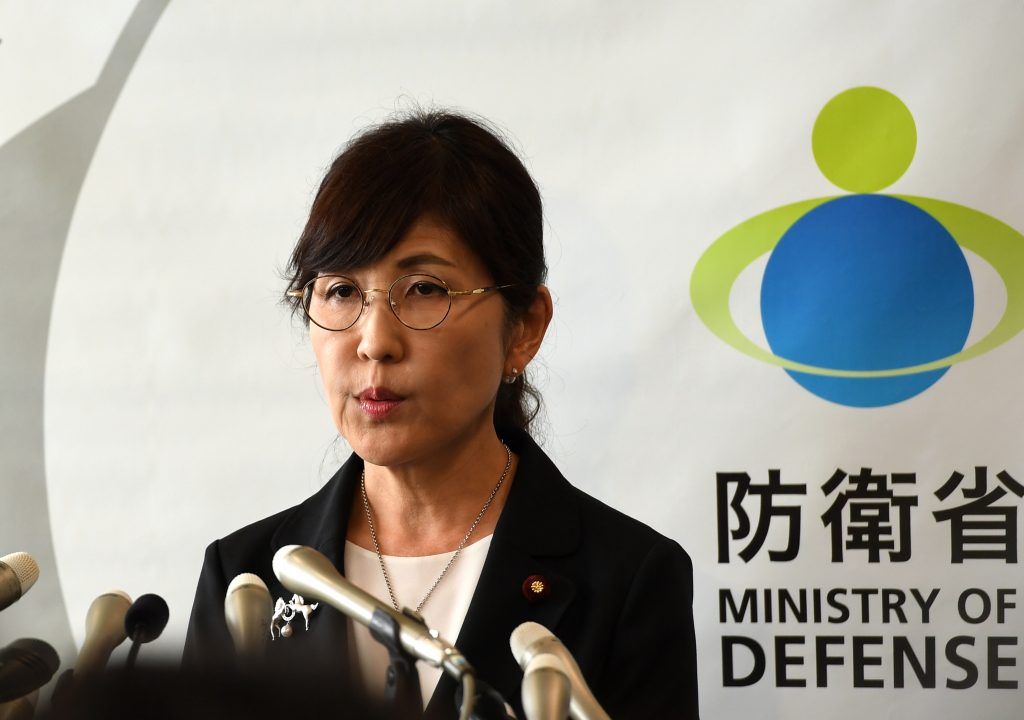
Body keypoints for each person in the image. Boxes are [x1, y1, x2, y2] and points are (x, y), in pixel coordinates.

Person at [184, 109, 699, 719]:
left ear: (524, 327)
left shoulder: (626, 581)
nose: (374, 341)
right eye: (342, 291)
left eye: (424, 288)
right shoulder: (245, 579)